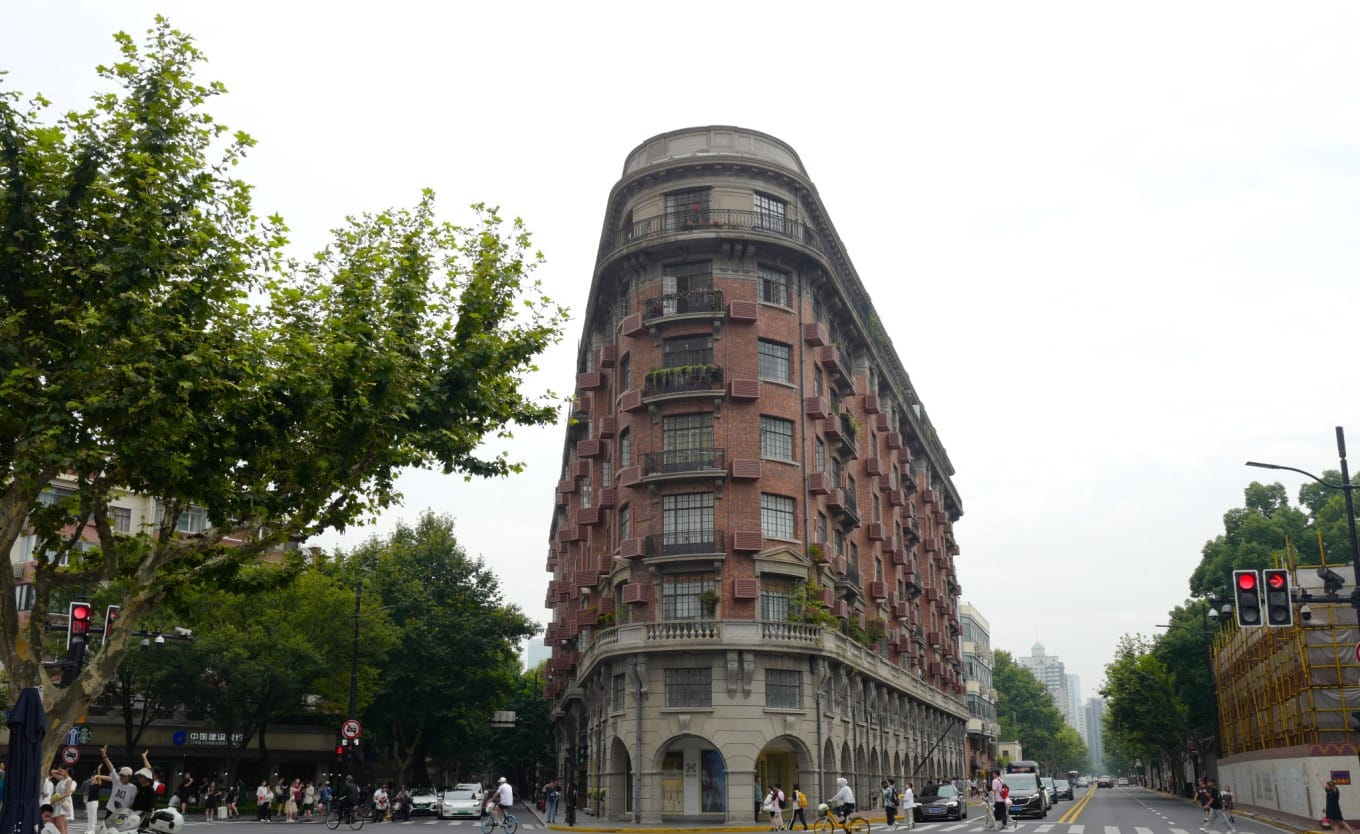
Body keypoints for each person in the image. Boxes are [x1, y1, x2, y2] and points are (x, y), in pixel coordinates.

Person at [98, 747, 140, 832]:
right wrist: (104, 756)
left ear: (129, 777)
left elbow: (132, 803)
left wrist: (128, 812)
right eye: (120, 775)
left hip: (122, 814)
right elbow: (111, 768)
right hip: (111, 810)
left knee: (117, 831)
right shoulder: (117, 781)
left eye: (124, 776)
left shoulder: (133, 788)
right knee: (105, 829)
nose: (121, 777)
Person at [50, 766, 76, 834]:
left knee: (60, 825)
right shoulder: (62, 779)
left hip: (63, 803)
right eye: (59, 771)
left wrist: (56, 799)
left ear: (66, 770)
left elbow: (67, 793)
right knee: (62, 825)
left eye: (61, 771)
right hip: (58, 803)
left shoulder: (69, 780)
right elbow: (52, 772)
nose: (59, 772)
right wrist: (59, 771)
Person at [82, 766, 104, 834]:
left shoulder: (98, 784)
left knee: (93, 816)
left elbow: (99, 777)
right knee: (89, 816)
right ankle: (89, 830)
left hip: (94, 802)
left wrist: (98, 769)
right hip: (89, 801)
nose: (93, 778)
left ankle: (92, 830)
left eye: (94, 777)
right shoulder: (91, 784)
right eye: (92, 777)